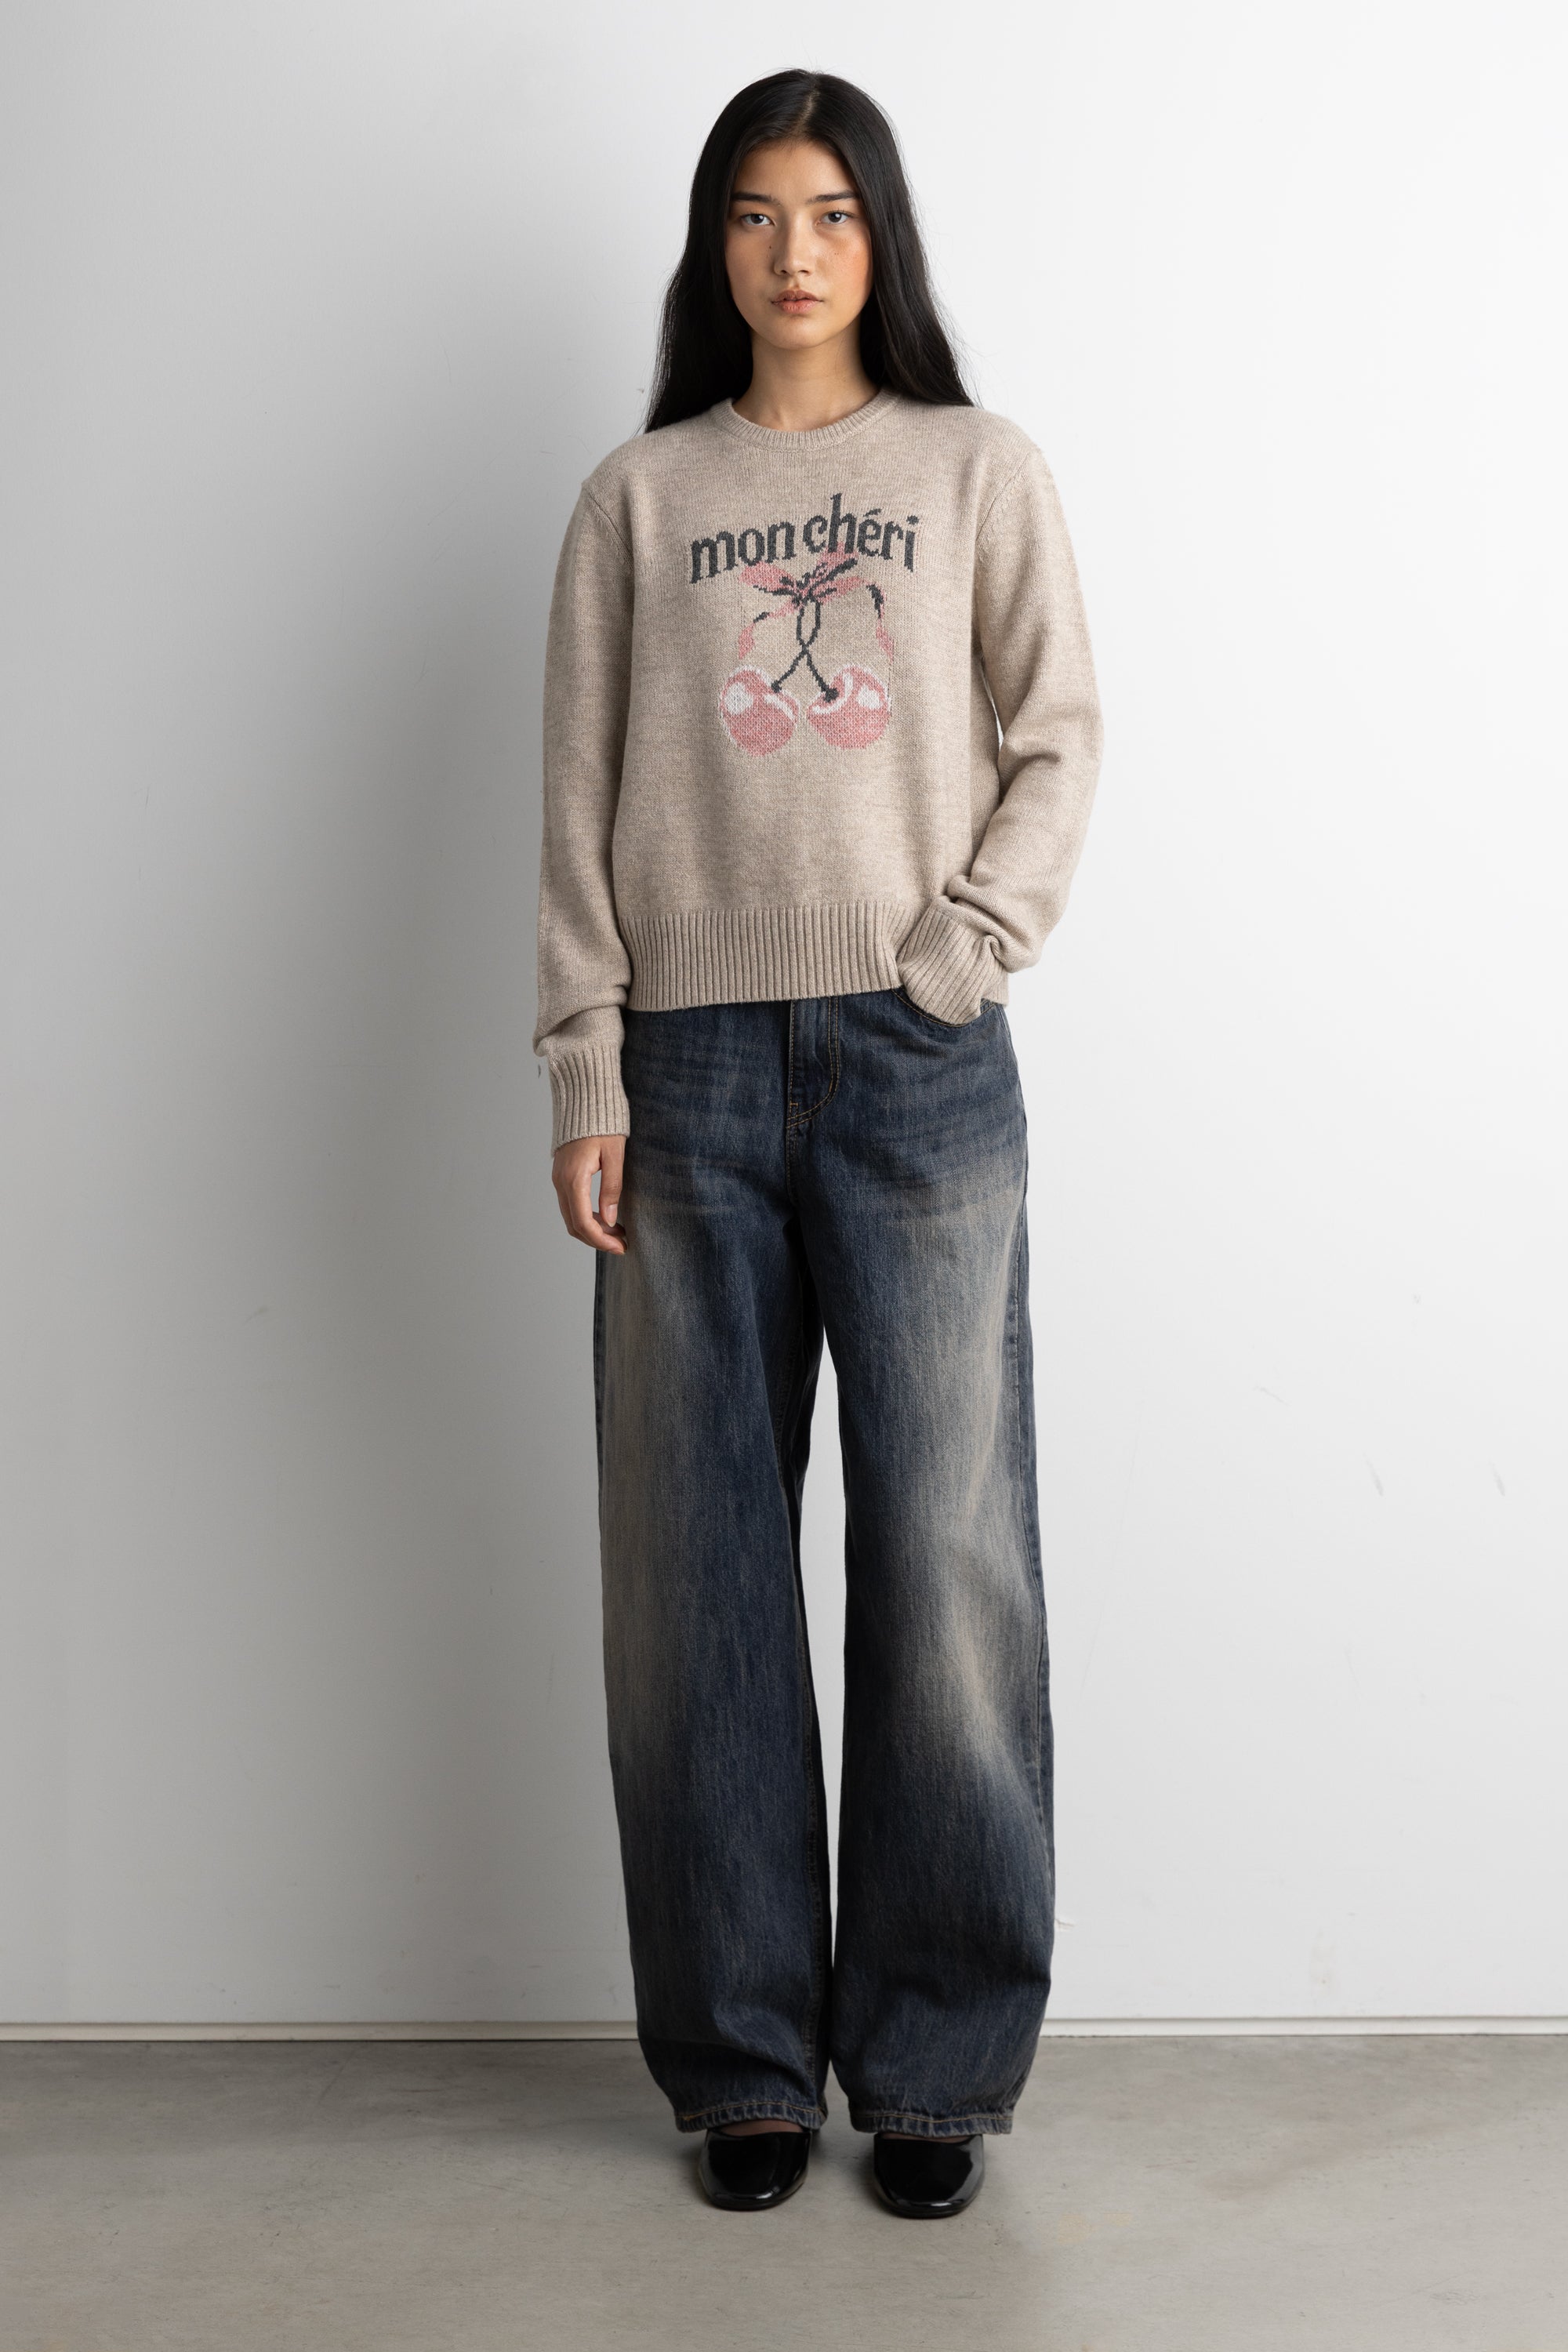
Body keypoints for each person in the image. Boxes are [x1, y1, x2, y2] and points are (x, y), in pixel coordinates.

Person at [533, 67, 1103, 2218]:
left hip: (917, 1062)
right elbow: (575, 802)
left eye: (834, 212)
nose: (795, 252)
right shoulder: (639, 499)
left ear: (883, 240)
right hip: (682, 1079)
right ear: (716, 245)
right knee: (696, 1591)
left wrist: (961, 953)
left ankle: (936, 2069)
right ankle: (746, 2063)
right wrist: (586, 1068)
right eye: (759, 214)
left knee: (946, 1568)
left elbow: (1060, 737)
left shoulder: (973, 469)